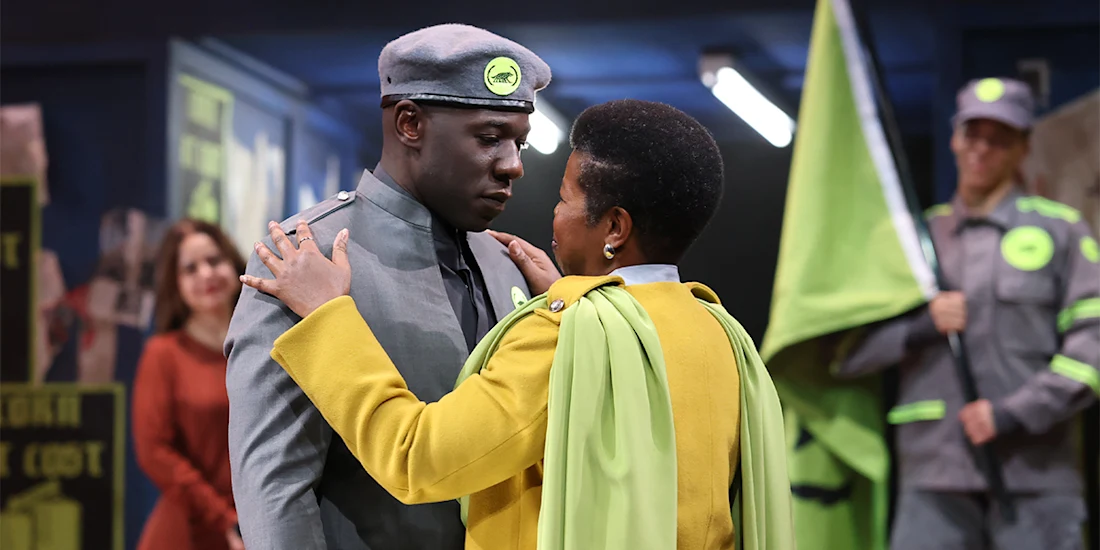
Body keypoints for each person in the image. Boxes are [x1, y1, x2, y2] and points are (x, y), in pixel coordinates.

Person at [240, 99, 795, 550]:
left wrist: (326, 318)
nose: (551, 214)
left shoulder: (567, 338)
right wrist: (572, 294)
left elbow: (416, 457)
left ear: (614, 228)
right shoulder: (720, 332)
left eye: (565, 199)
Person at [224, 24, 550, 550]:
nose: (513, 164)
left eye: (519, 142)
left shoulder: (512, 263)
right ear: (409, 124)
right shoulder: (305, 259)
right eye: (489, 138)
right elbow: (275, 486)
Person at [838, 78, 1099, 549]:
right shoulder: (914, 242)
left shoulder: (1063, 232)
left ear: (1023, 147)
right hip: (933, 474)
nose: (982, 149)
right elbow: (845, 353)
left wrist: (1015, 413)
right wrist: (920, 327)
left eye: (1000, 138)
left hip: (1035, 474)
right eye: (972, 134)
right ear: (955, 139)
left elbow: (1093, 346)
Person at [133, 219, 246, 550]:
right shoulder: (163, 355)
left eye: (214, 260)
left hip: (267, 523)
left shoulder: (269, 344)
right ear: (175, 284)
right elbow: (154, 452)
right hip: (193, 533)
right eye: (190, 268)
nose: (206, 274)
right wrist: (225, 519)